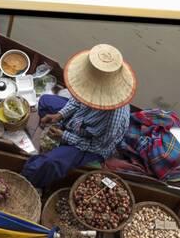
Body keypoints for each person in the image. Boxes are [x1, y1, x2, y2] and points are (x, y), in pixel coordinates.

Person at [22, 44, 137, 188]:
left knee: (48, 164)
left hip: (91, 146)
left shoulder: (113, 118)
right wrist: (59, 115)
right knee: (45, 101)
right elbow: (76, 101)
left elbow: (96, 146)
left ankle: (30, 183)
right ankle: (59, 137)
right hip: (79, 121)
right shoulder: (88, 86)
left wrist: (64, 136)